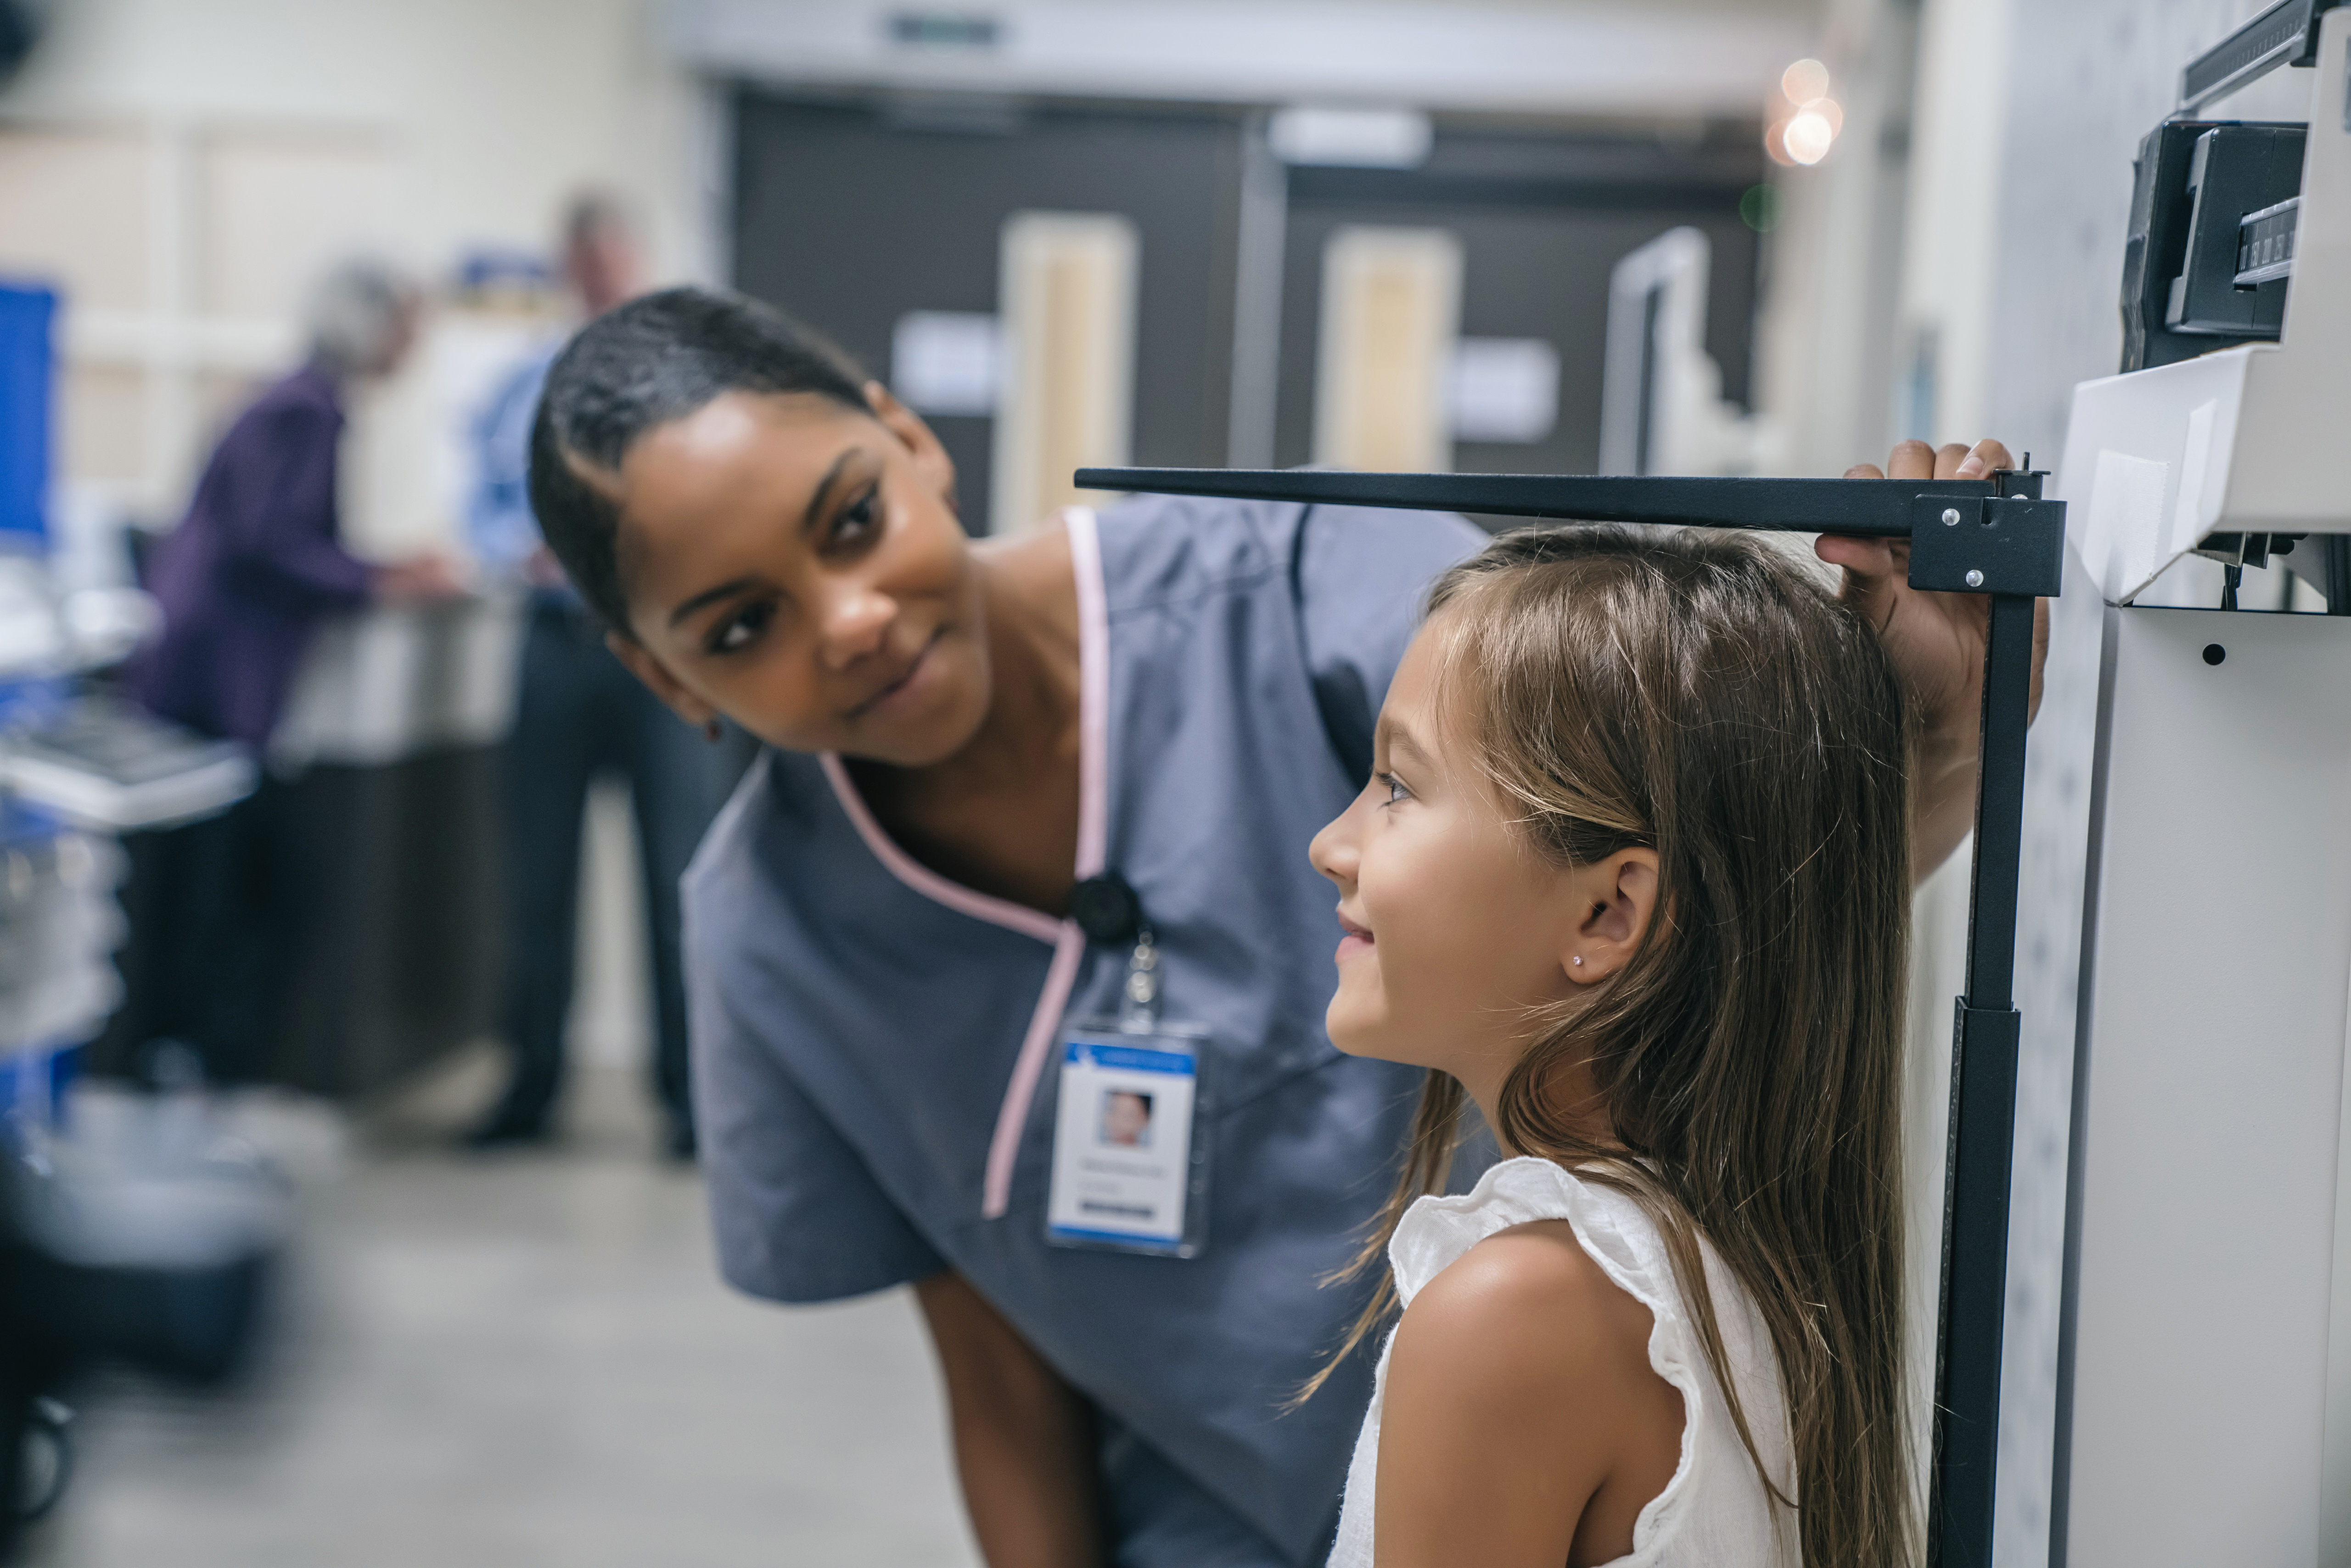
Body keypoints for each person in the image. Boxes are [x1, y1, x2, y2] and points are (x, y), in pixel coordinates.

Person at [522, 285, 2031, 1566]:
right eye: (737, 627)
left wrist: (1936, 743)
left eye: (849, 518)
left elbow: (1683, 906)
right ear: (662, 681)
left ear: (909, 438)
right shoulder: (770, 941)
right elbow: (998, 1379)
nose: (842, 618)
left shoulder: (1301, 580)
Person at [1308, 526, 1913, 1568]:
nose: (1333, 843)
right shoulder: (1742, 1251)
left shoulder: (1515, 1318)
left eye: (1398, 787)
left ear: (1606, 914)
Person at [129, 256, 461, 1084]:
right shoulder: (306, 411)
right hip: (215, 684)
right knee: (225, 891)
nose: (415, 345)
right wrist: (382, 580)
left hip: (211, 680)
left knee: (223, 885)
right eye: (407, 324)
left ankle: (190, 1066)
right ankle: (190, 1070)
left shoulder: (297, 401)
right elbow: (268, 543)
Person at [464, 195, 732, 1157]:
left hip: (657, 654)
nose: (599, 279)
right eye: (583, 264)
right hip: (550, 647)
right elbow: (482, 508)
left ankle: (690, 1106)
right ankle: (528, 1090)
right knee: (536, 879)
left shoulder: (690, 388)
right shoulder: (516, 387)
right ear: (565, 269)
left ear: (636, 262)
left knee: (674, 876)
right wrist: (518, 549)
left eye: (611, 262)